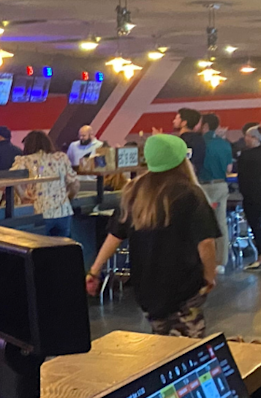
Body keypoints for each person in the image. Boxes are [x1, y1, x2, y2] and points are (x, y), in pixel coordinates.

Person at [85, 134, 220, 338]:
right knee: (189, 344)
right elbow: (206, 242)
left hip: (148, 288)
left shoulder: (134, 192)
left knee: (160, 341)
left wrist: (94, 271)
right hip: (185, 284)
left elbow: (115, 235)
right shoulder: (191, 194)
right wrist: (210, 275)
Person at [11, 130, 77, 237]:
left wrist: (22, 195)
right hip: (63, 211)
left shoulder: (25, 160)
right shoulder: (61, 158)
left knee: (41, 246)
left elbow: (12, 177)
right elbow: (74, 184)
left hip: (39, 212)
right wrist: (68, 197)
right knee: (63, 246)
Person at [197, 113, 234, 272]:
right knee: (220, 223)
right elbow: (229, 168)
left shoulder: (199, 142)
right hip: (220, 186)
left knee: (199, 224)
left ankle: (202, 261)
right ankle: (220, 261)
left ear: (205, 126)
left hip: (202, 186)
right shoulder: (224, 144)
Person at [238, 127, 261, 271]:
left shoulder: (246, 155)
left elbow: (242, 176)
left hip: (252, 194)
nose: (246, 139)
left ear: (255, 138)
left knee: (256, 225)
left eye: (248, 136)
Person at [173, 107, 206, 173]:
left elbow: (186, 161)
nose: (173, 121)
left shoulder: (184, 140)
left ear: (184, 123)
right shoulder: (199, 139)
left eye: (177, 118)